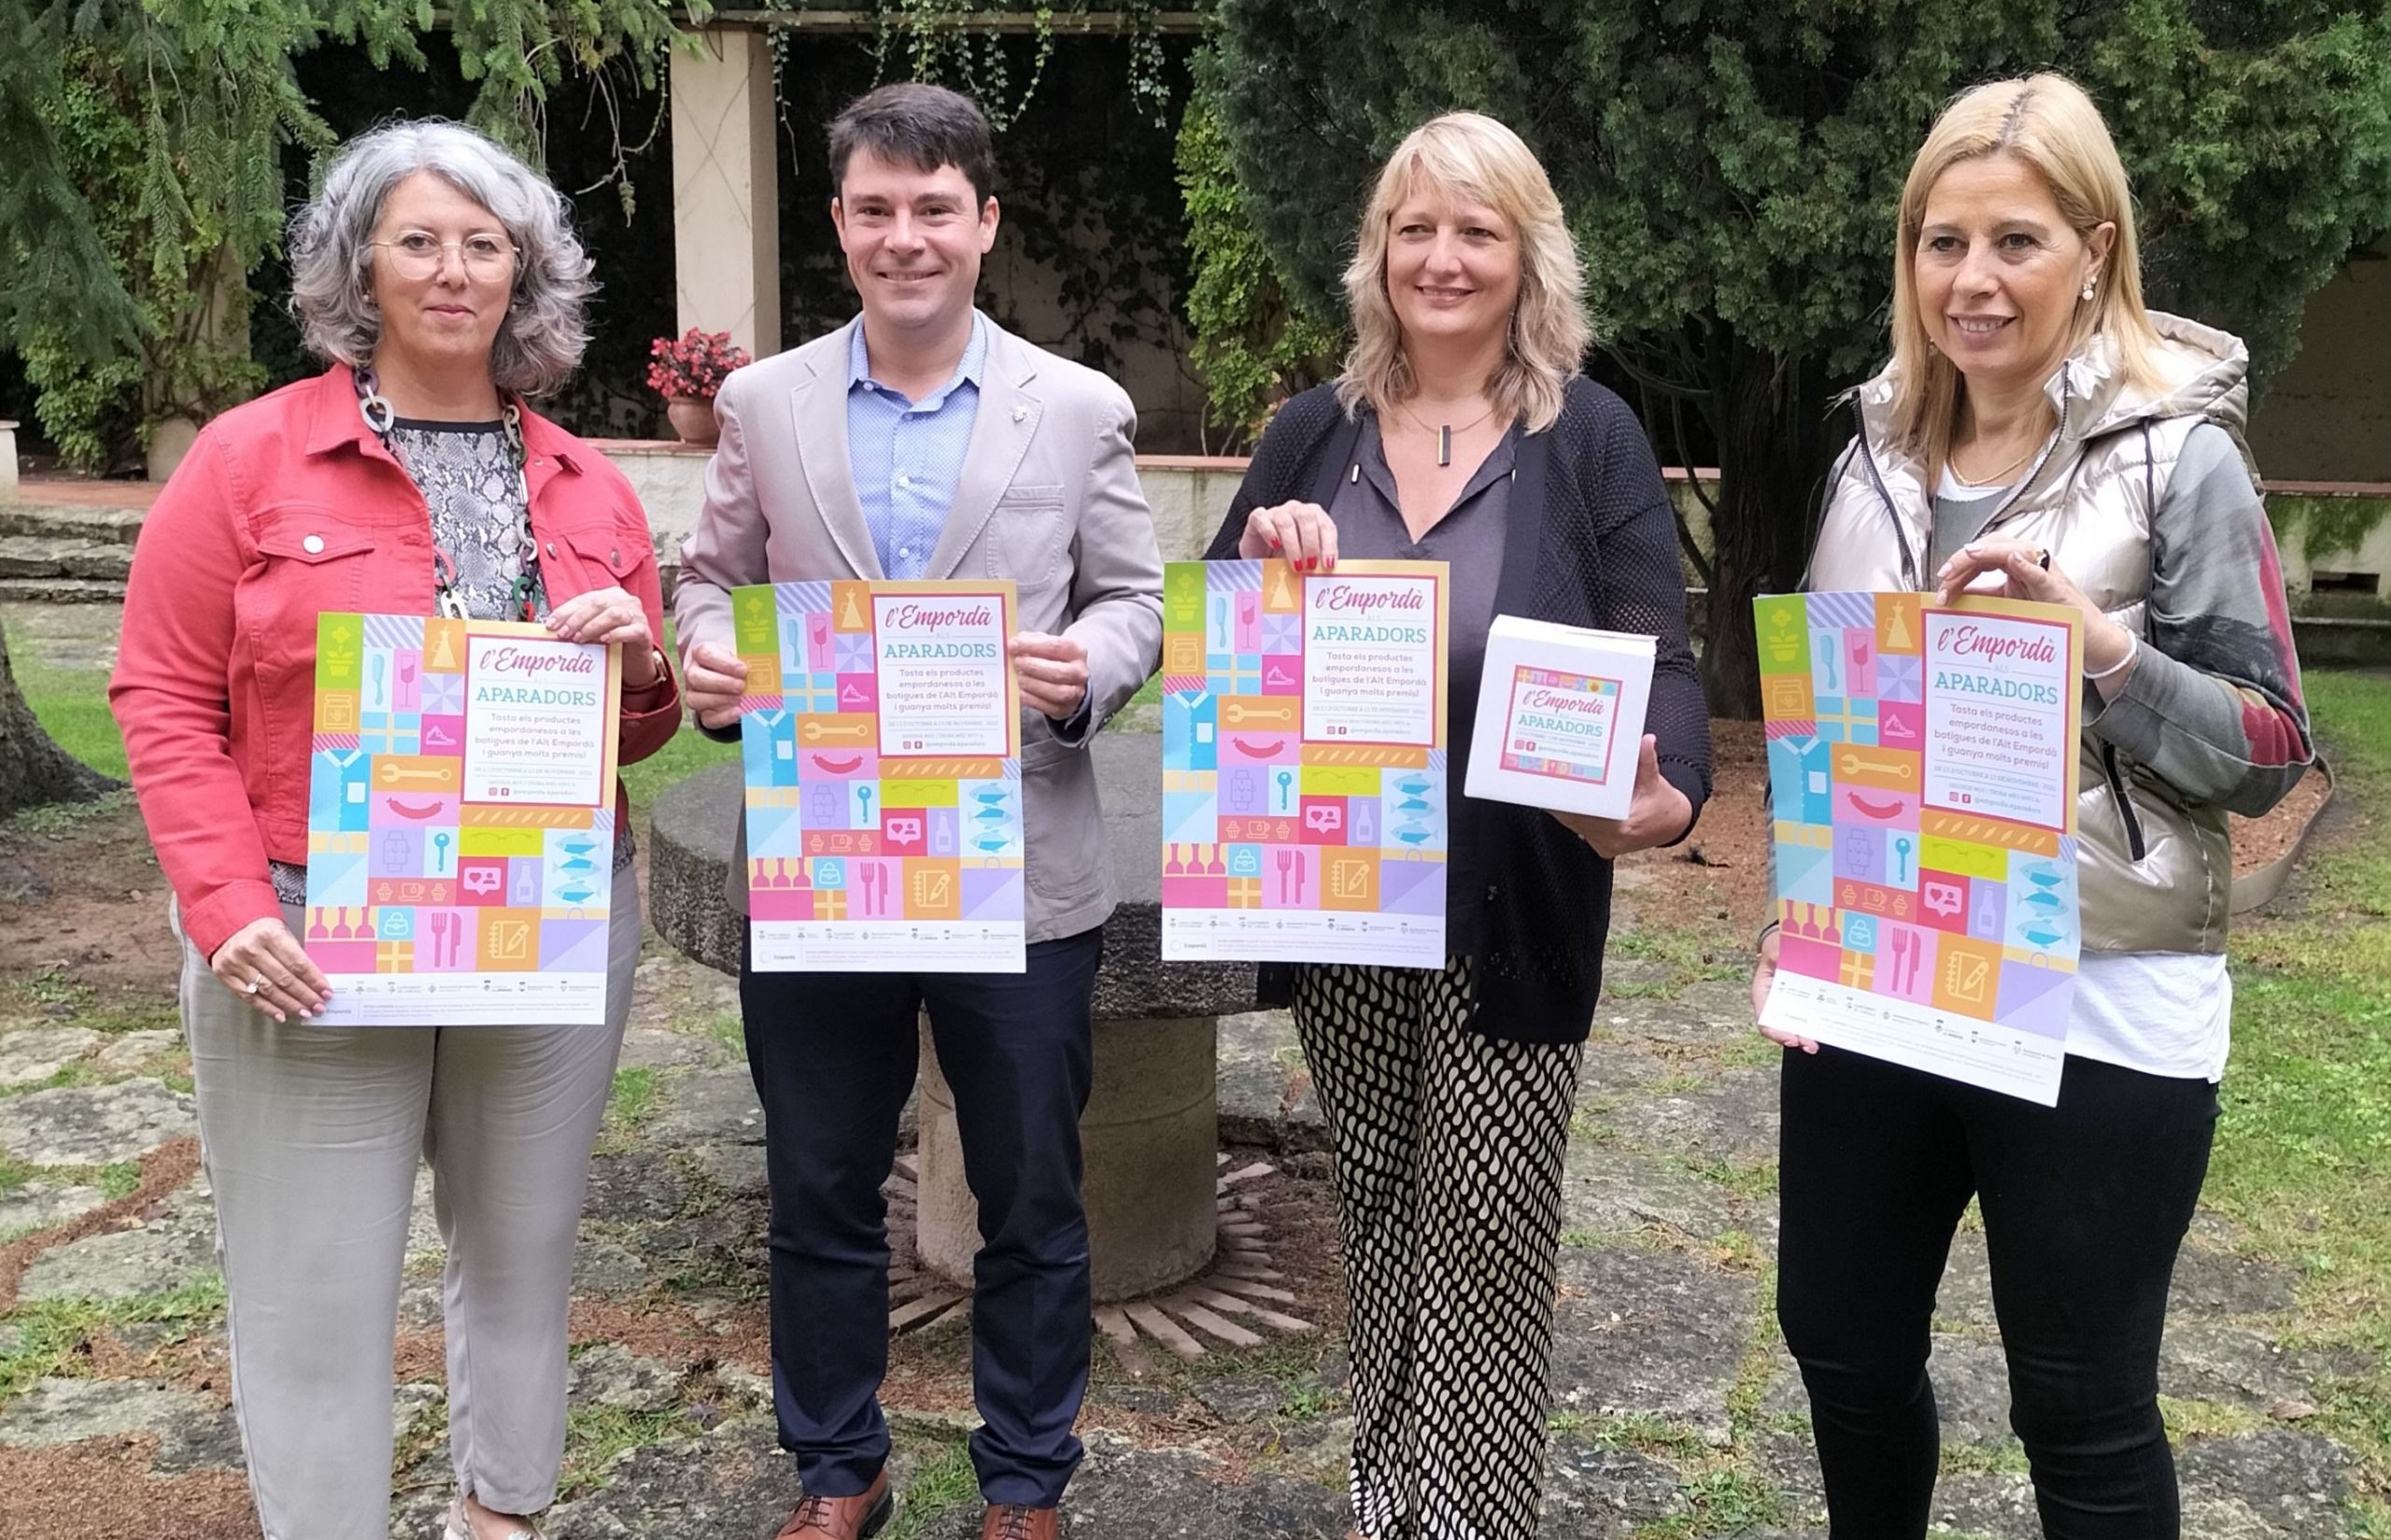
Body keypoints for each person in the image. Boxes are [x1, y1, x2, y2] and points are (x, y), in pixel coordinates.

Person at [1753, 74, 2313, 1539]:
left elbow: (2271, 748)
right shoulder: (1868, 457)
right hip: (1888, 971)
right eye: (1943, 242)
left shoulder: (2179, 455)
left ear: (2096, 249)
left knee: (2080, 1401)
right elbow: (1836, 728)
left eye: (2017, 241)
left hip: (2099, 994)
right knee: (1841, 1343)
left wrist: (2108, 652)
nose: (1974, 280)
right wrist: (1791, 924)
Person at [108, 120, 680, 1540]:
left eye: (485, 244)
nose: (452, 270)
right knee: (313, 1292)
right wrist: (226, 904)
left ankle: (504, 1516)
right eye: (418, 239)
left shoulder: (589, 483)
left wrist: (640, 667)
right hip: (310, 935)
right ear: (359, 263)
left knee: (525, 1256)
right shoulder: (248, 460)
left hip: (545, 925)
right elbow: (161, 692)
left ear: (523, 273)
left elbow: (631, 734)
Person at [1202, 112, 1711, 1540]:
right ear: (1377, 253)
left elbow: (1661, 655)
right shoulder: (1311, 433)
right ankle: (1389, 1500)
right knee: (1373, 1197)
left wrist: (1667, 789)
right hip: (1343, 892)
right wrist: (1261, 567)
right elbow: (1213, 646)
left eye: (1476, 229)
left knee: (1487, 1219)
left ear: (1526, 255)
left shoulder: (1590, 435)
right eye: (1413, 228)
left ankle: (1475, 1520)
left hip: (1514, 898)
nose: (1442, 257)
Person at [672, 83, 1163, 1540]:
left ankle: (1024, 1482)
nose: (907, 237)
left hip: (1017, 869)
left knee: (1032, 1195)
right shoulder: (765, 404)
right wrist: (710, 656)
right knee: (821, 1183)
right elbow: (709, 577)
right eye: (877, 209)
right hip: (823, 861)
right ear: (839, 223)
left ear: (984, 221)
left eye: (935, 208)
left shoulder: (1076, 407)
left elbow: (1133, 599)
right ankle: (840, 1468)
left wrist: (1089, 670)